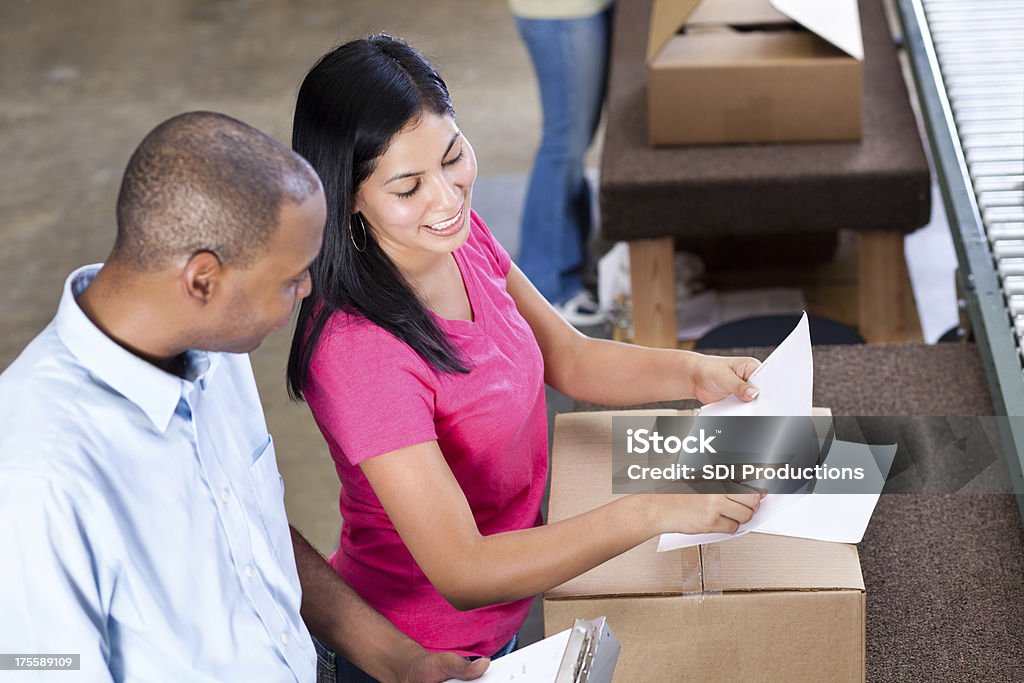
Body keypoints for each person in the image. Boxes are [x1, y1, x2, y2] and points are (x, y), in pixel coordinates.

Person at [287, 36, 763, 680]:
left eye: (453, 157)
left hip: (500, 630)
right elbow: (463, 571)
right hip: (420, 655)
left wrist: (692, 372)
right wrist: (651, 509)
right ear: (349, 197)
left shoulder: (456, 238)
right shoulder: (357, 350)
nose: (447, 198)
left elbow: (568, 355)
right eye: (408, 187)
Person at [0, 111, 487, 683]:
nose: (308, 290)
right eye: (289, 280)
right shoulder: (37, 479)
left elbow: (255, 536)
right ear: (203, 280)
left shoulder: (213, 347)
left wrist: (399, 660)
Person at [510, 0, 614, 325]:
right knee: (564, 144)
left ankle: (572, 260)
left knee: (575, 141)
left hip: (583, 10)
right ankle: (547, 287)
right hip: (561, 13)